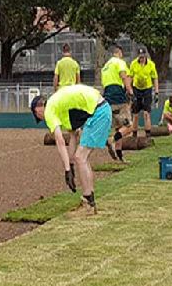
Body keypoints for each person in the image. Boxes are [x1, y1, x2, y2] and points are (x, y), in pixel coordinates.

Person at [30, 84, 112, 213]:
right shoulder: (61, 107)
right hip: (102, 109)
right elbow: (73, 135)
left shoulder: (50, 109)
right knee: (81, 158)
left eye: (38, 116)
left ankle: (88, 202)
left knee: (81, 157)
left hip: (99, 113)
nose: (42, 119)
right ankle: (89, 199)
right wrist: (71, 164)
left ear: (38, 109)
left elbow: (60, 141)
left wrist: (67, 170)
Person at [100, 45, 135, 162]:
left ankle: (120, 157)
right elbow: (124, 77)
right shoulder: (119, 62)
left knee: (119, 127)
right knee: (129, 127)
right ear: (119, 53)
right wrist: (130, 91)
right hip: (118, 95)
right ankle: (112, 140)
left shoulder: (105, 66)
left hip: (108, 97)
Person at [128, 48, 159, 140]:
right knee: (135, 113)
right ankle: (134, 134)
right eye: (140, 57)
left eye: (143, 57)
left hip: (147, 89)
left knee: (146, 113)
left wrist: (156, 92)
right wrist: (129, 91)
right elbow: (130, 77)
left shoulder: (151, 64)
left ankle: (148, 134)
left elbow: (155, 78)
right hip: (136, 89)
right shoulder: (133, 64)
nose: (141, 59)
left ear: (145, 56)